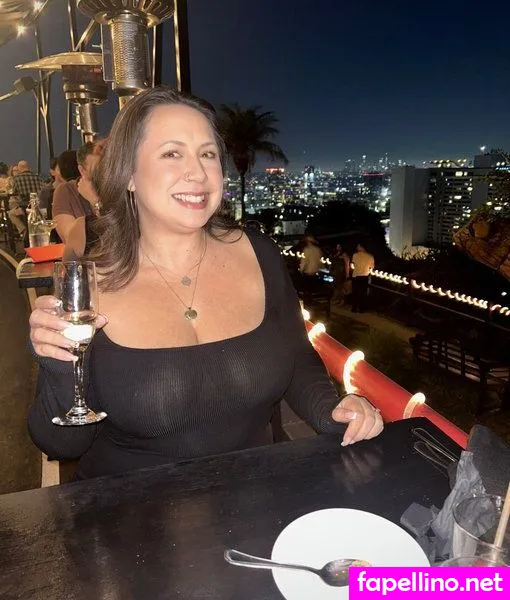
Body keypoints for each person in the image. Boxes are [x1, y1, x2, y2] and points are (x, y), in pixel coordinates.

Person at [28, 86, 383, 480]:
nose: (197, 173)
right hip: (129, 508)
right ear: (128, 174)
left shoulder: (259, 253)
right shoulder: (89, 284)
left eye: (208, 154)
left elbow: (297, 359)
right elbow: (60, 444)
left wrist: (332, 411)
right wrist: (58, 364)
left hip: (255, 497)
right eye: (172, 153)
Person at [52, 143, 100, 242]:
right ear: (82, 170)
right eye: (97, 169)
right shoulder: (66, 191)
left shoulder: (120, 190)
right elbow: (71, 239)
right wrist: (95, 202)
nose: (106, 173)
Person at [8, 160, 45, 238]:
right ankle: (33, 230)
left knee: (11, 213)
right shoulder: (38, 177)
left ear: (20, 168)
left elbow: (14, 192)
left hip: (26, 209)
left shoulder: (17, 178)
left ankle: (23, 230)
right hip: (39, 208)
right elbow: (43, 190)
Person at [299, 234, 323, 307]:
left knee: (306, 289)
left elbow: (304, 261)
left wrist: (301, 269)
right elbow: (320, 261)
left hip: (308, 272)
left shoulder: (307, 250)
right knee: (312, 289)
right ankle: (311, 302)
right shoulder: (318, 250)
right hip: (315, 272)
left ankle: (307, 303)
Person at [351, 242, 375, 313]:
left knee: (355, 293)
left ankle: (354, 308)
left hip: (356, 276)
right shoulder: (370, 256)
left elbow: (353, 265)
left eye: (358, 246)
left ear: (361, 247)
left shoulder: (355, 255)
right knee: (362, 293)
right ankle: (361, 309)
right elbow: (372, 267)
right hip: (365, 276)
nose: (357, 247)